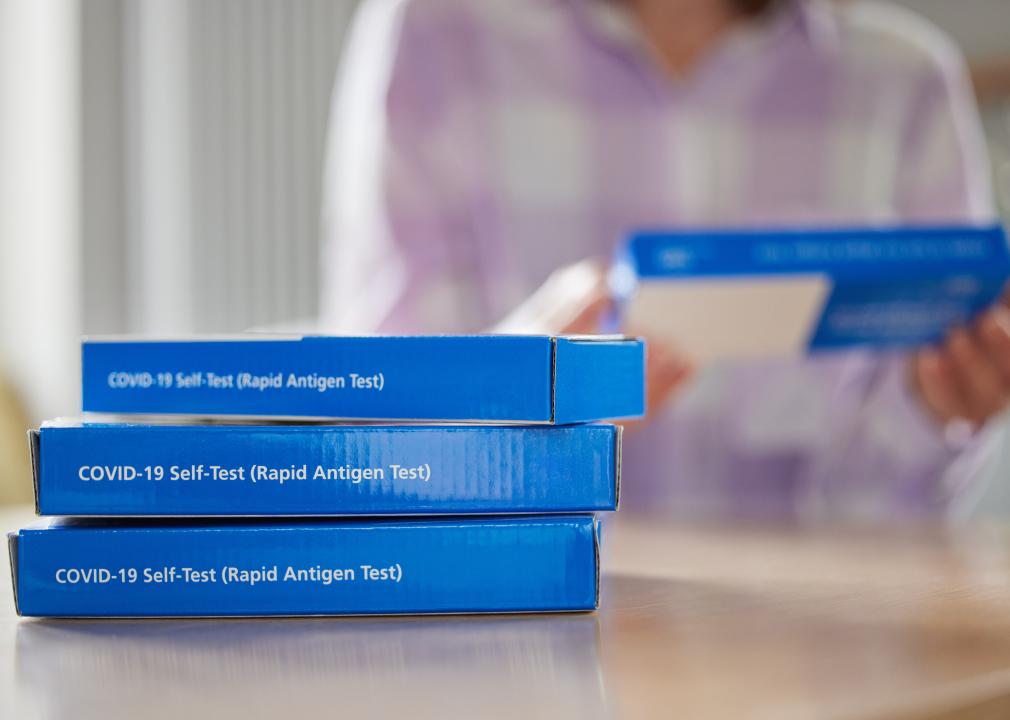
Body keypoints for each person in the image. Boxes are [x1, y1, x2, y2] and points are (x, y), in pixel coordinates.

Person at [321, 0, 1010, 520]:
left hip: (822, 658)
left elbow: (900, 507)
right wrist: (510, 400)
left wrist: (936, 409)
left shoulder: (908, 78)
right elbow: (375, 436)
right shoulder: (435, 33)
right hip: (515, 648)